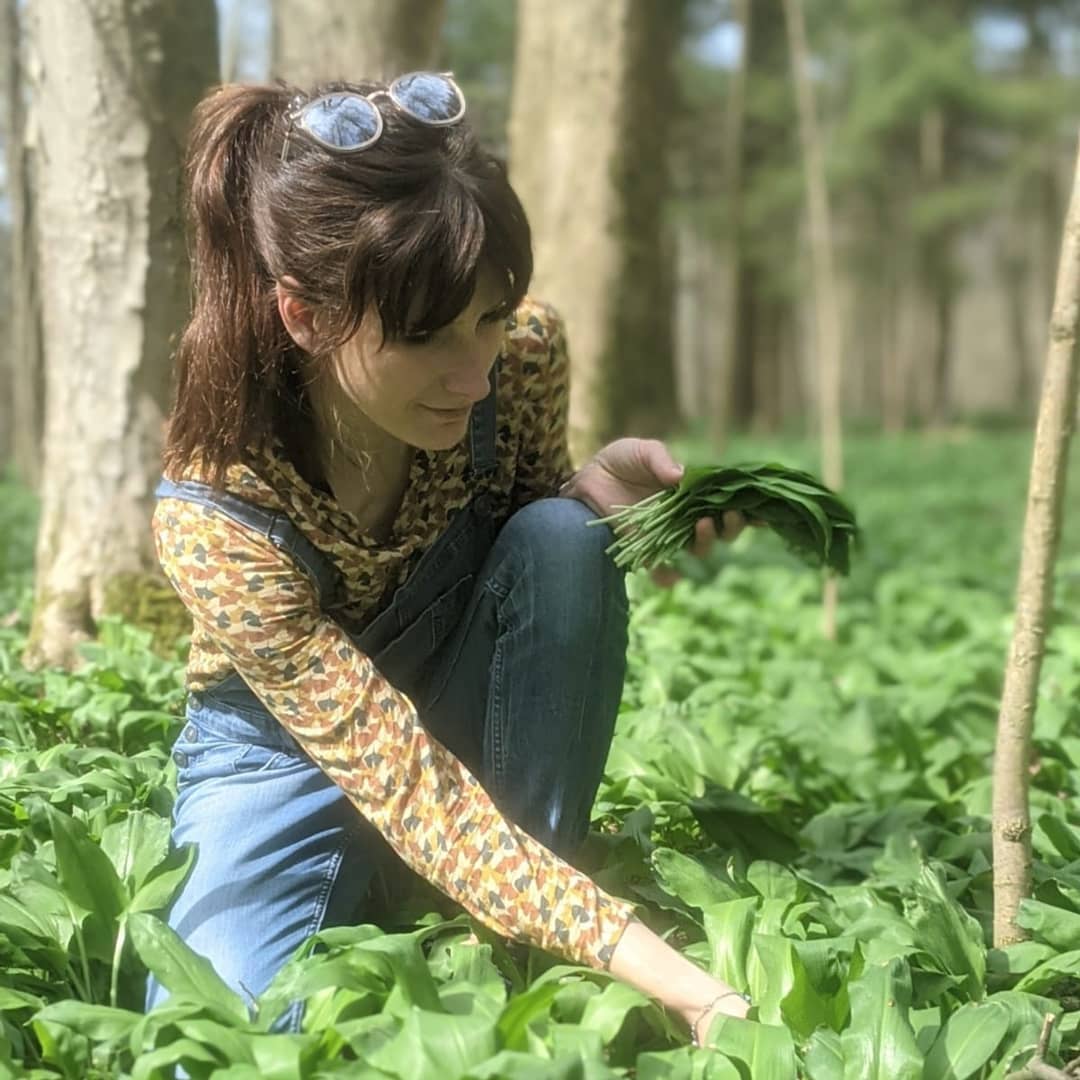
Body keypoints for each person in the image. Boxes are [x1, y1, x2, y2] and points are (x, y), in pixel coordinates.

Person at [146, 71, 752, 1048]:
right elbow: (405, 782)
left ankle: (507, 926)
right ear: (305, 315)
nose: (473, 374)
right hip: (281, 752)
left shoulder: (523, 356)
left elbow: (522, 548)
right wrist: (683, 984)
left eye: (489, 317)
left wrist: (586, 499)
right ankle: (460, 894)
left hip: (449, 694)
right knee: (214, 1043)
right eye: (425, 336)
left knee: (562, 542)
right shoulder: (219, 509)